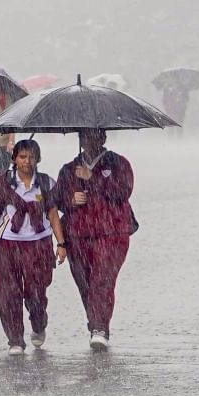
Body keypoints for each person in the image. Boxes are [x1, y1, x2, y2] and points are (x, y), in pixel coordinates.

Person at [0, 139, 67, 355]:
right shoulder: (0, 183)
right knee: (8, 293)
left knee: (36, 292)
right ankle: (15, 339)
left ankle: (39, 322)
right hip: (7, 244)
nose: (27, 161)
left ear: (38, 159)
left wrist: (61, 243)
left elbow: (53, 214)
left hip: (38, 244)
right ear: (14, 159)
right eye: (22, 157)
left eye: (32, 157)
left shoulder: (46, 183)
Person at [55, 129, 135, 350]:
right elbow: (57, 200)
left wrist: (94, 179)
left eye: (94, 136)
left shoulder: (119, 164)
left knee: (102, 279)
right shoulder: (69, 170)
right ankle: (95, 324)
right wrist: (71, 199)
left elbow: (122, 193)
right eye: (85, 137)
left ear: (104, 138)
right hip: (78, 236)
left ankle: (100, 328)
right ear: (80, 140)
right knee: (85, 283)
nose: (89, 141)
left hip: (112, 233)